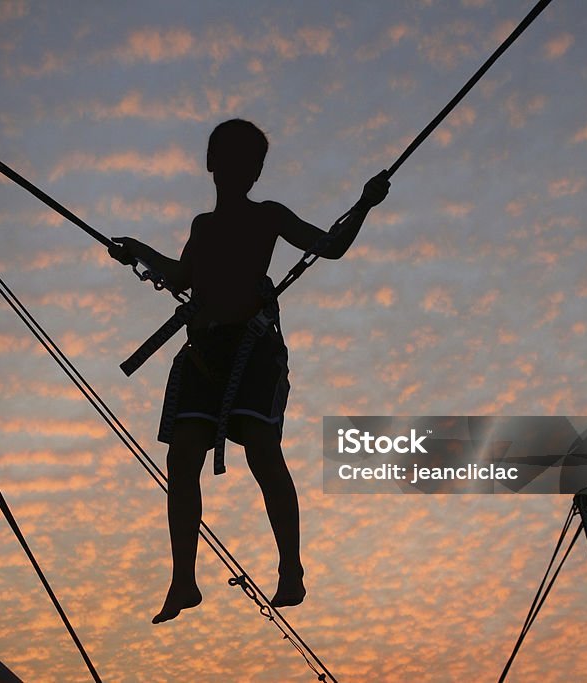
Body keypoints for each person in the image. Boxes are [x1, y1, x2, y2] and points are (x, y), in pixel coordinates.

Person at [109, 119, 389, 624]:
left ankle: (291, 568)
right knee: (182, 459)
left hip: (252, 349)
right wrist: (138, 251)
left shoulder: (268, 216)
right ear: (212, 164)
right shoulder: (203, 226)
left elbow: (329, 246)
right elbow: (179, 275)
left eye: (249, 164)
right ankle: (183, 580)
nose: (240, 171)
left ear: (256, 172)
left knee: (262, 450)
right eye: (231, 160)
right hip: (204, 352)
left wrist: (365, 204)